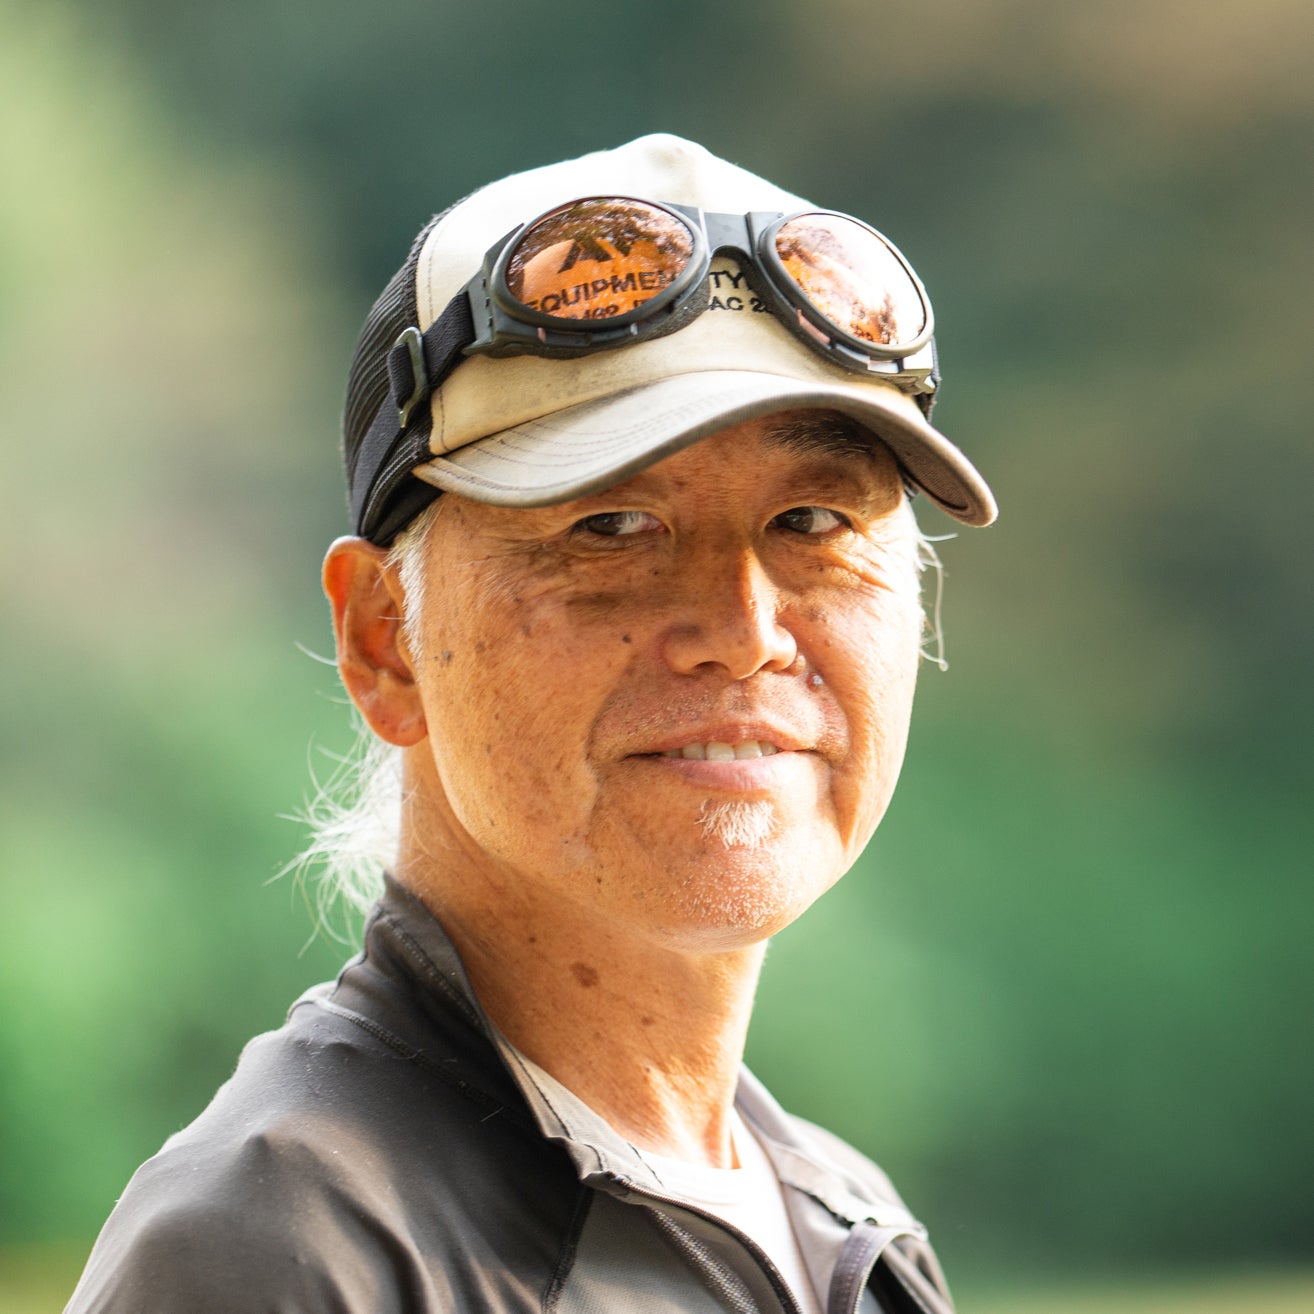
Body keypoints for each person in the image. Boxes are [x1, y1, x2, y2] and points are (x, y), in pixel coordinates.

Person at [67, 133, 996, 1314]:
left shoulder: (848, 1226)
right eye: (610, 528)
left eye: (813, 521)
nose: (743, 629)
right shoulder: (282, 1256)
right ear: (384, 640)